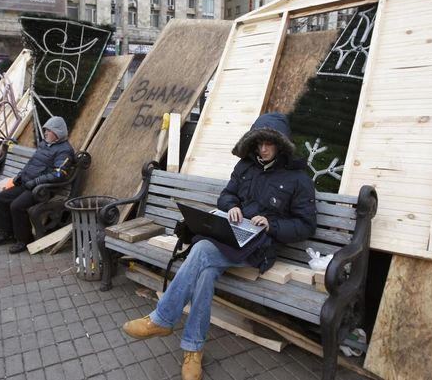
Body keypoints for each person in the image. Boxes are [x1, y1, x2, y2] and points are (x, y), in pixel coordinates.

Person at [122, 113, 318, 380]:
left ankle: (162, 319)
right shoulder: (245, 167)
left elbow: (306, 226)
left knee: (201, 251)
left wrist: (271, 225)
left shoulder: (298, 179)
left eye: (269, 144)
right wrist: (233, 207)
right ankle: (193, 350)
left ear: (281, 144)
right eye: (259, 143)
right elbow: (226, 195)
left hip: (260, 248)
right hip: (232, 238)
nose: (263, 149)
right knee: (204, 273)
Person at [0, 116, 75, 254]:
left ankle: (23, 240)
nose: (45, 133)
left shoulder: (65, 150)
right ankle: (6, 233)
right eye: (45, 130)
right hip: (28, 183)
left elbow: (60, 174)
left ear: (57, 133)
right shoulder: (44, 144)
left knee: (17, 206)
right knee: (0, 199)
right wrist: (20, 176)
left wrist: (37, 181)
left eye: (48, 131)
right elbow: (31, 163)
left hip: (42, 189)